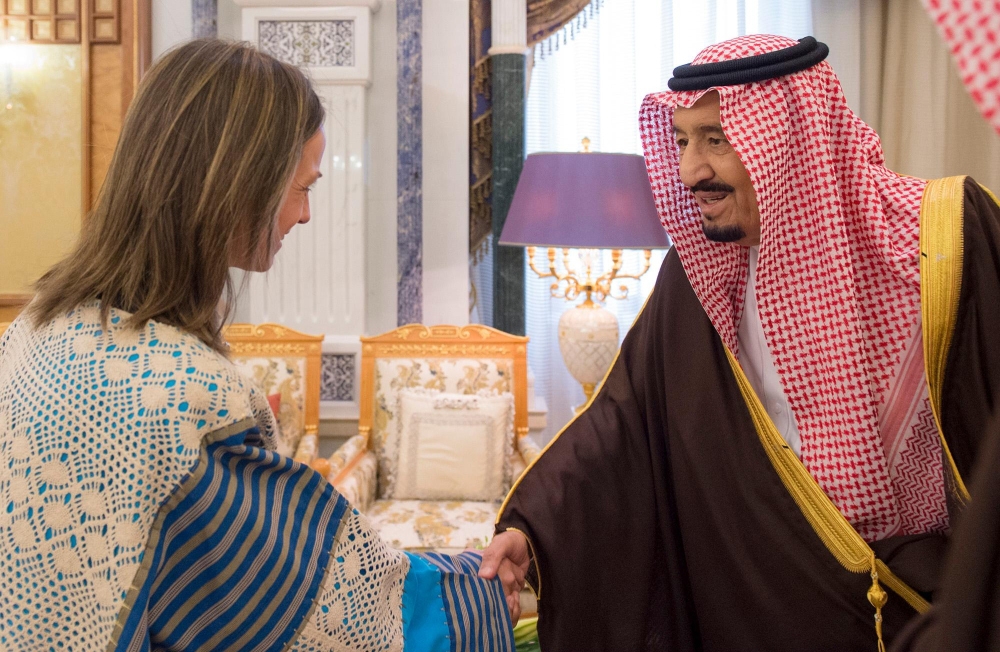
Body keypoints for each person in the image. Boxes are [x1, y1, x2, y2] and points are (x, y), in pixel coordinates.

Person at [480, 34, 1000, 651]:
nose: (690, 172)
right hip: (759, 609)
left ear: (787, 138)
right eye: (682, 141)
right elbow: (624, 420)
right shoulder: (700, 276)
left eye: (716, 139)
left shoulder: (943, 239)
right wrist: (533, 528)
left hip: (926, 614)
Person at [0, 39, 514, 651]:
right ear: (241, 184)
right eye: (303, 188)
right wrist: (475, 590)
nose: (305, 215)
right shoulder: (189, 393)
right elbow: (315, 606)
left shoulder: (32, 330)